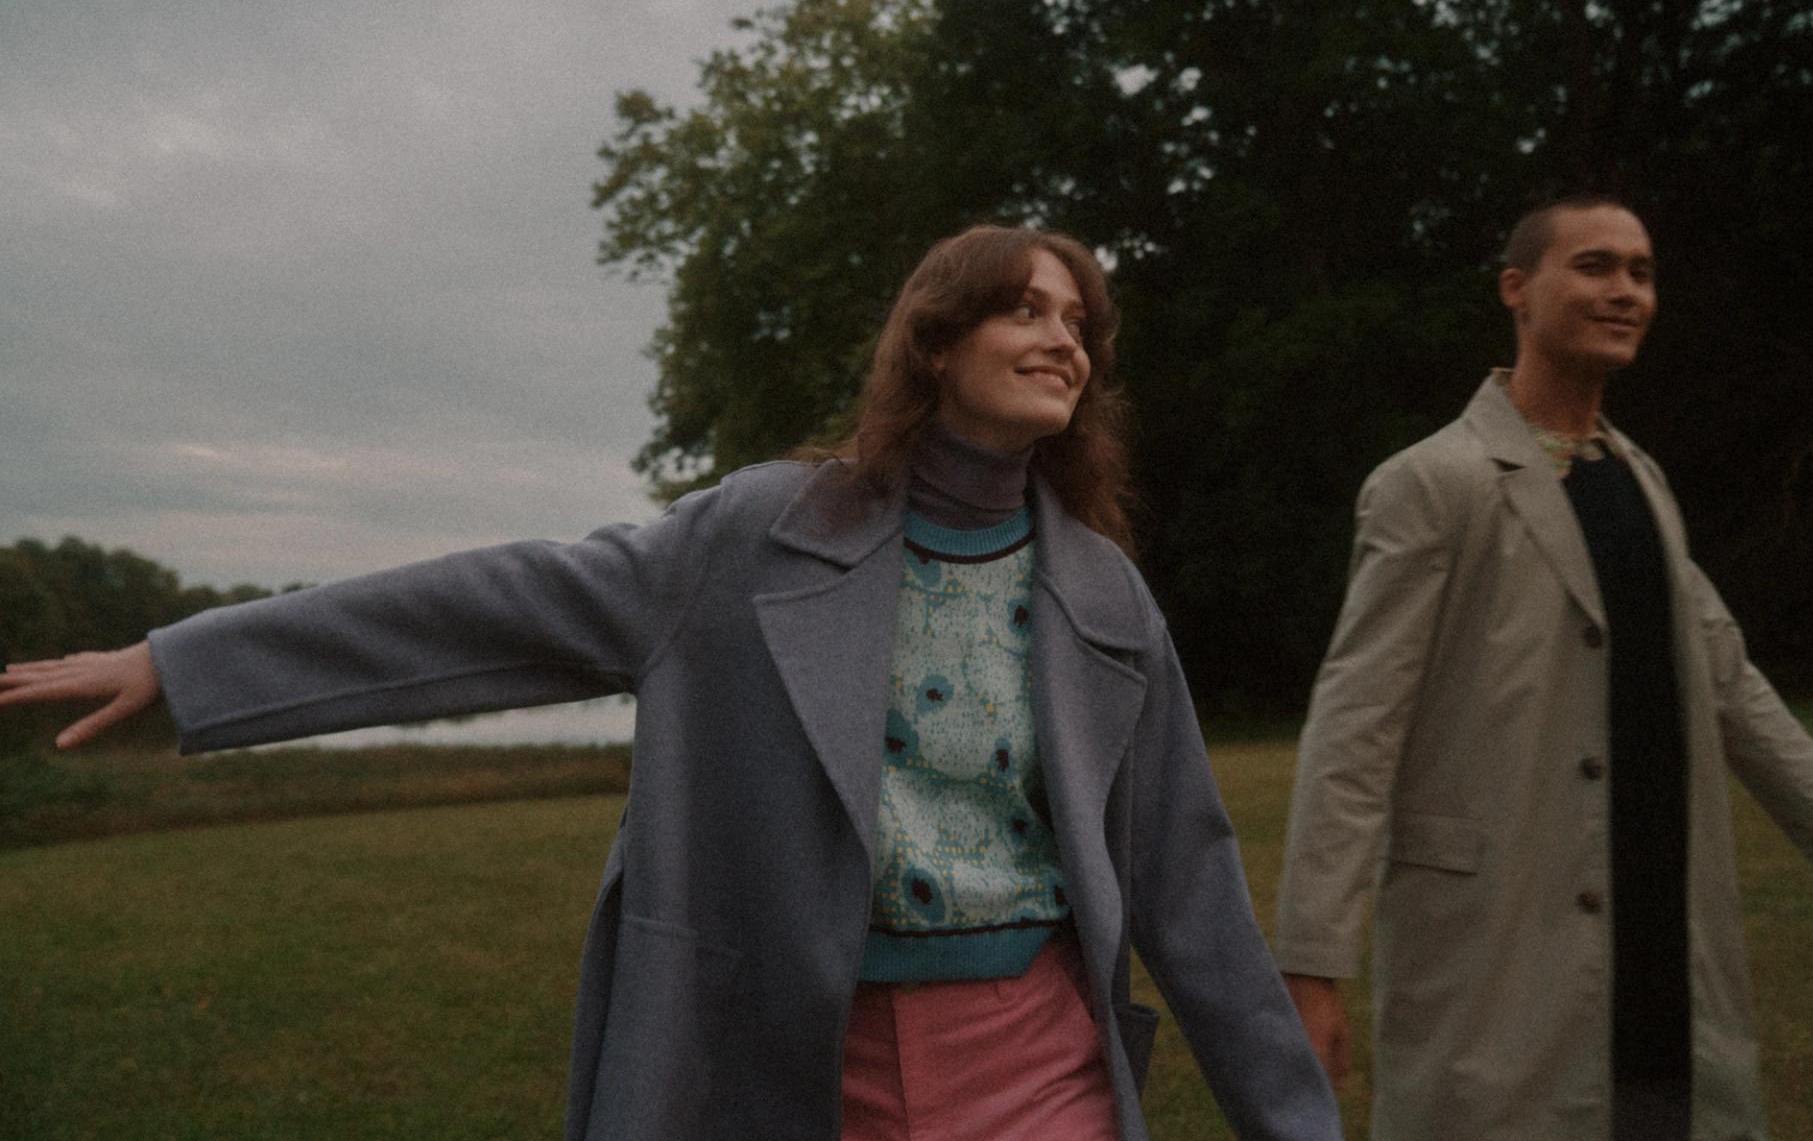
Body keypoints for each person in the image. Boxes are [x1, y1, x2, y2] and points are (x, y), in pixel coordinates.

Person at [0, 224, 1340, 1141]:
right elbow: (490, 607)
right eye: (1024, 308)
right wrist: (183, 661)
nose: (1064, 339)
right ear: (936, 344)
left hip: (1039, 1066)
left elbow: (1189, 886)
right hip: (788, 1063)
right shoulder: (753, 539)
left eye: (1080, 323)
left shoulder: (1105, 595)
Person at [1272, 196, 1813, 1141]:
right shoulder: (1432, 483)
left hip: (1663, 968)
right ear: (1516, 289)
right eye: (1595, 266)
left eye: (1641, 272)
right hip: (1500, 961)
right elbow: (1355, 728)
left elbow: (1734, 687)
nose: (1624, 291)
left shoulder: (1642, 481)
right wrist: (1311, 963)